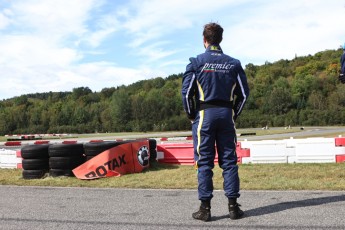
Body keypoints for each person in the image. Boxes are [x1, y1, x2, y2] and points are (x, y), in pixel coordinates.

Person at [181, 22, 250, 221]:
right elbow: (244, 95)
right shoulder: (234, 63)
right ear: (220, 39)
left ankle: (205, 209)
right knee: (229, 161)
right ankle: (233, 208)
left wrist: (191, 115)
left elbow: (186, 94)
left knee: (204, 162)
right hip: (227, 116)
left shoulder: (196, 62)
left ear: (204, 40)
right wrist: (234, 113)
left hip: (204, 117)